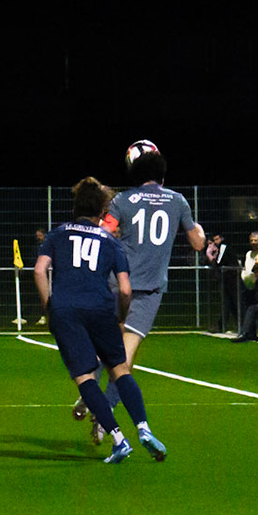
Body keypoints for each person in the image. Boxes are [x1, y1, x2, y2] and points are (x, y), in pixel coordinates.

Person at [34, 177, 163, 464]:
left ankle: (118, 439)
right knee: (120, 370)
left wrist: (49, 307)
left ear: (75, 205)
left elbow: (40, 270)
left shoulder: (58, 234)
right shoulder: (112, 242)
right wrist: (121, 315)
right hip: (101, 308)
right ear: (102, 210)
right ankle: (143, 428)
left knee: (84, 377)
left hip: (67, 309)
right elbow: (126, 289)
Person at [75, 141, 204, 423]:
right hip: (150, 291)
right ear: (162, 173)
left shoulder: (123, 200)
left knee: (102, 346)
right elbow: (197, 243)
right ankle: (105, 410)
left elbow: (101, 233)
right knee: (125, 356)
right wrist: (199, 231)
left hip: (117, 284)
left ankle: (88, 395)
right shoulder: (178, 201)